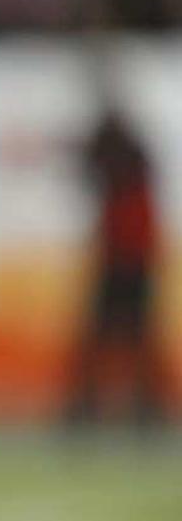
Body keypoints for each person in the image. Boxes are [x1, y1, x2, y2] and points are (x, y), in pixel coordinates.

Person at [65, 103, 163, 426]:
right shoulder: (133, 163)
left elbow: (88, 168)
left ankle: (136, 404)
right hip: (128, 257)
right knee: (127, 336)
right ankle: (137, 404)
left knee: (121, 336)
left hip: (128, 258)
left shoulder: (126, 165)